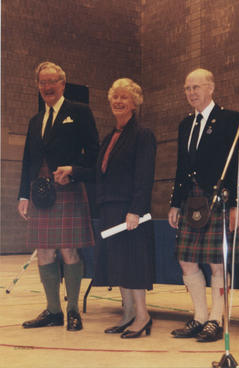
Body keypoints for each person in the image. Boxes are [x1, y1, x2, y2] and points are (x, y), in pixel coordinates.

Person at [168, 68, 239, 342]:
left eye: (196, 87)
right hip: (191, 200)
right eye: (187, 88)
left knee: (217, 263)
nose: (191, 93)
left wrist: (238, 205)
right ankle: (199, 317)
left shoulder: (229, 119)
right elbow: (181, 167)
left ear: (211, 88)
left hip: (219, 200)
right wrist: (175, 203)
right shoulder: (185, 124)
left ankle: (216, 321)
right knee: (186, 260)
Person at [18, 61, 99, 331]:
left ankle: (73, 309)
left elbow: (94, 152)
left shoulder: (79, 111)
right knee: (43, 251)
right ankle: (53, 311)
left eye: (52, 81)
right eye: (42, 82)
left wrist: (74, 171)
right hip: (40, 194)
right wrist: (23, 195)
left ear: (63, 84)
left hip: (69, 189)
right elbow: (28, 159)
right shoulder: (34, 120)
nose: (47, 87)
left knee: (68, 250)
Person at [93, 78, 156, 339]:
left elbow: (144, 176)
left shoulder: (143, 135)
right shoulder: (110, 137)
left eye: (124, 97)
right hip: (110, 208)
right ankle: (128, 313)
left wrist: (136, 210)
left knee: (134, 264)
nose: (118, 101)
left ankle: (143, 316)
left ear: (135, 103)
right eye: (114, 97)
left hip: (130, 212)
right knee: (119, 263)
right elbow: (100, 172)